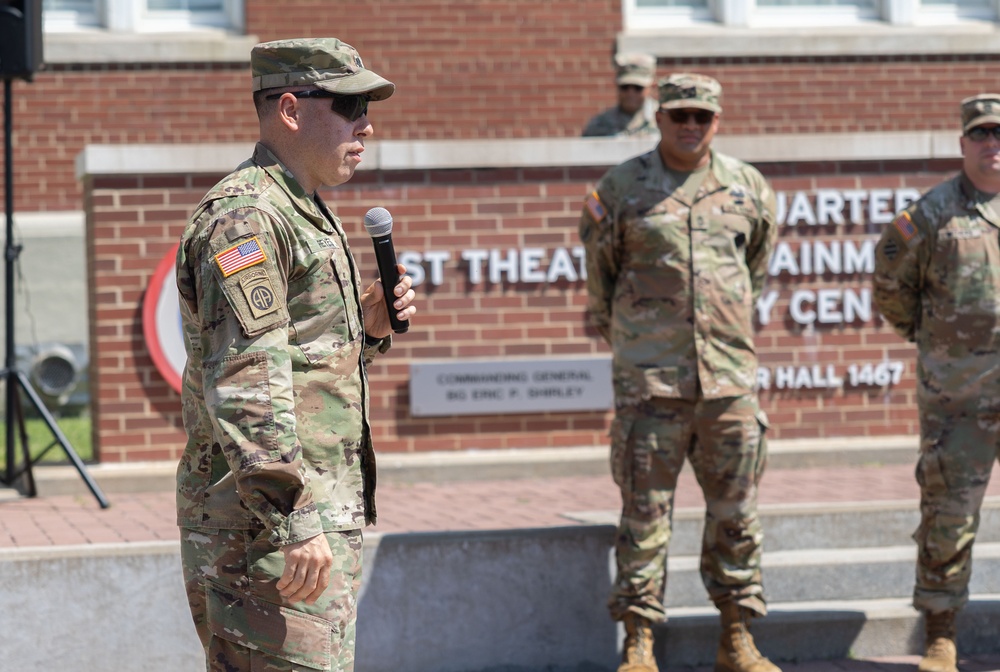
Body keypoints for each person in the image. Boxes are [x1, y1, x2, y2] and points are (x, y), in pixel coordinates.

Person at [174, 37, 416, 672]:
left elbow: (299, 360)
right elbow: (246, 381)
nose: (366, 123)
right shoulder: (246, 216)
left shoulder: (306, 210)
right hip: (265, 530)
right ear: (289, 108)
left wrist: (365, 329)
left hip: (310, 517)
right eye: (348, 104)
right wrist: (293, 518)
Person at [578, 73, 780, 672]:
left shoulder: (749, 188)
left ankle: (737, 636)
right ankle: (639, 640)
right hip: (652, 386)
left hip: (729, 384)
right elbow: (602, 282)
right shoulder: (621, 187)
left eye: (702, 117)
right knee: (644, 515)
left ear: (717, 121)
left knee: (736, 514)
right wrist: (639, 347)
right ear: (659, 117)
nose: (690, 126)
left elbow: (755, 273)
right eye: (679, 115)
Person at [872, 93, 1000, 672]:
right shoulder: (931, 214)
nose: (992, 145)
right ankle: (941, 635)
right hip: (960, 399)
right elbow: (890, 287)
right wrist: (935, 344)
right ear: (963, 144)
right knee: (949, 518)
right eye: (982, 135)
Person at [581, 52, 659, 138]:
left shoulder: (664, 120)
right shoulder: (600, 124)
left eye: (638, 87)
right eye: (624, 87)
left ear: (651, 86)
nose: (630, 93)